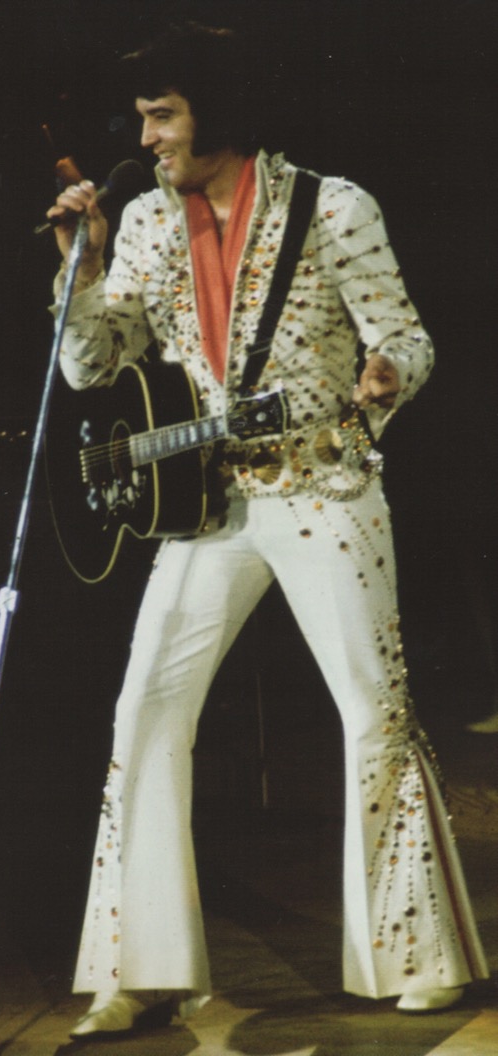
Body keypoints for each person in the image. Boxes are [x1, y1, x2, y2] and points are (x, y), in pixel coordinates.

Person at [47, 22, 488, 1039]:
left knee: (375, 710)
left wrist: (384, 383)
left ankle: (417, 953)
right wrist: (80, 269)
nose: (145, 136)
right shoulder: (149, 226)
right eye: (142, 116)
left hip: (326, 486)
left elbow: (405, 336)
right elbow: (89, 370)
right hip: (212, 507)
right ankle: (140, 968)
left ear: (217, 109)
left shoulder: (330, 205)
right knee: (144, 710)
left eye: (163, 114)